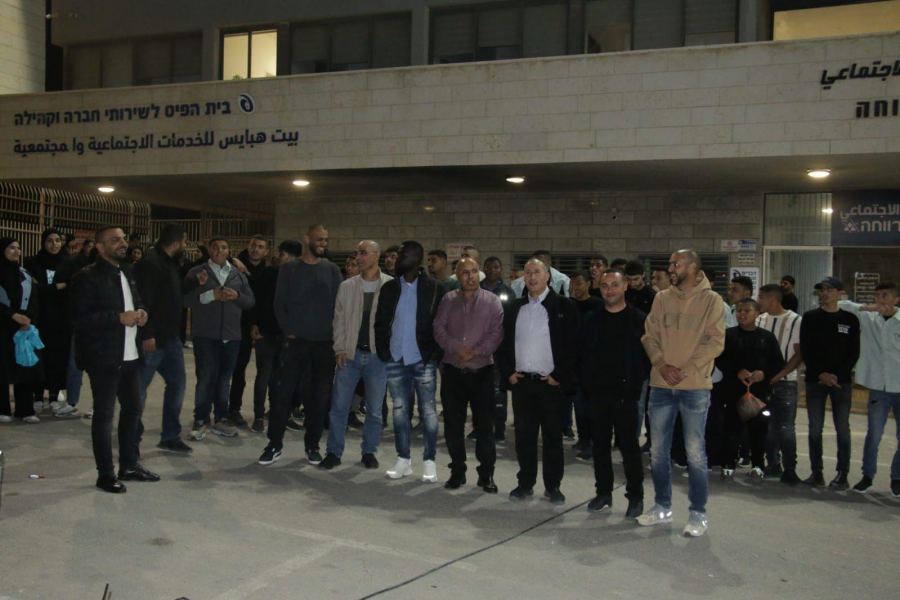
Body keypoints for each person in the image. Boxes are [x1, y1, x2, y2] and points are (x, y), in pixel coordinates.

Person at [639, 249, 725, 537]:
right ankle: (662, 506)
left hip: (694, 387)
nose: (671, 268)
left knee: (695, 453)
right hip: (661, 385)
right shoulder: (662, 298)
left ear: (693, 266)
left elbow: (715, 342)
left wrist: (685, 369)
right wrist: (661, 364)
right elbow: (649, 335)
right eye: (670, 264)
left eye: (676, 264)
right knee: (658, 452)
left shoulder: (712, 300)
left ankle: (698, 514)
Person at [69, 226, 158, 493]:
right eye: (115, 240)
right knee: (104, 416)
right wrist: (117, 318)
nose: (122, 244)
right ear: (99, 247)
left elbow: (137, 301)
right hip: (103, 358)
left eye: (123, 239)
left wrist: (142, 313)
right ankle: (105, 474)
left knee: (133, 410)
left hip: (130, 355)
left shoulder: (127, 271)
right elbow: (79, 319)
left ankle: (129, 465)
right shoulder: (86, 277)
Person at [259, 225, 342, 466]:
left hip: (323, 345)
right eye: (319, 239)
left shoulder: (332, 270)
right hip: (295, 345)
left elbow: (339, 306)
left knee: (318, 399)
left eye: (326, 240)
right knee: (282, 396)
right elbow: (279, 303)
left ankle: (312, 446)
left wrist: (335, 337)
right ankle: (274, 444)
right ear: (307, 239)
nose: (323, 243)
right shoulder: (289, 269)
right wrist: (289, 331)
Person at [497, 258, 578, 504]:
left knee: (553, 438)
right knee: (524, 438)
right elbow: (502, 343)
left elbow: (574, 346)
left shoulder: (563, 306)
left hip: (550, 384)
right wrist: (508, 373)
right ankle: (525, 483)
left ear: (547, 277)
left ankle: (553, 486)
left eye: (537, 272)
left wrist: (559, 376)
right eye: (528, 273)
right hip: (522, 383)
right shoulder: (515, 307)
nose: (532, 277)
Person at [374, 240, 446, 482]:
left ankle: (429, 461)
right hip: (396, 358)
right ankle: (403, 459)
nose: (398, 258)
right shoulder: (390, 288)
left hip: (422, 359)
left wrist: (434, 355)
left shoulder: (434, 288)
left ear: (417, 258)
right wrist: (384, 352)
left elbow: (441, 325)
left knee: (428, 411)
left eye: (403, 254)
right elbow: (380, 322)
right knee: (399, 410)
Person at [580, 270, 648, 518]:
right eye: (605, 286)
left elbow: (646, 357)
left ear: (625, 286)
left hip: (626, 395)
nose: (609, 290)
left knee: (629, 448)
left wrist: (634, 385)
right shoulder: (591, 319)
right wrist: (588, 384)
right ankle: (603, 493)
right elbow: (583, 354)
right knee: (600, 446)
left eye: (615, 285)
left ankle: (635, 497)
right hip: (597, 394)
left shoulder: (639, 319)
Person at [319, 240, 392, 470]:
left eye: (363, 253)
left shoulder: (390, 286)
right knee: (339, 408)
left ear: (376, 255)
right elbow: (338, 320)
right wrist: (340, 348)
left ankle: (369, 452)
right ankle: (333, 452)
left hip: (377, 358)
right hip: (349, 356)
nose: (359, 257)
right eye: (357, 253)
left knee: (375, 410)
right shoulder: (347, 286)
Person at [434, 257, 504, 493]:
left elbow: (496, 334)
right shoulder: (448, 300)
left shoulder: (492, 302)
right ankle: (457, 472)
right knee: (453, 426)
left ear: (479, 274)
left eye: (474, 271)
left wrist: (475, 352)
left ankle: (486, 475)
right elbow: (438, 329)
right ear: (457, 275)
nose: (470, 276)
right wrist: (457, 348)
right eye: (465, 272)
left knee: (485, 427)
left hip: (482, 372)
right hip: (453, 372)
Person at [184, 238, 255, 441]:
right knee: (206, 378)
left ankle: (221, 418)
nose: (219, 250)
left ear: (228, 251)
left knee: (224, 379)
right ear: (209, 250)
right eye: (215, 247)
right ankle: (201, 418)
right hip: (205, 335)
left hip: (231, 336)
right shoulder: (197, 272)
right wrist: (210, 295)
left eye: (223, 247)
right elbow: (185, 299)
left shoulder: (238, 274)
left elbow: (250, 301)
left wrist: (236, 296)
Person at [133, 225, 191, 454]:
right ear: (176, 243)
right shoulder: (150, 264)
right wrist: (147, 334)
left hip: (171, 339)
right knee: (138, 390)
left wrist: (194, 283)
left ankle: (170, 435)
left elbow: (172, 293)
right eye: (184, 242)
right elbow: (143, 301)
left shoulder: (169, 263)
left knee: (177, 383)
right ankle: (131, 437)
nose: (185, 246)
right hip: (154, 340)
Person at [839, 282, 900, 497]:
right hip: (878, 386)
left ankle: (897, 477)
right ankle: (867, 475)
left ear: (896, 299)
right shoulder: (868, 317)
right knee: (874, 434)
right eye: (878, 296)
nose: (880, 300)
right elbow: (841, 305)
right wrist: (866, 307)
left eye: (885, 296)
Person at [799, 276, 860, 490]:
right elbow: (806, 349)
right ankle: (816, 472)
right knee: (815, 429)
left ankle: (842, 474)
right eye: (822, 290)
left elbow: (853, 352)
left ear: (839, 293)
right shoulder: (810, 317)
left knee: (842, 428)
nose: (824, 293)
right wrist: (821, 373)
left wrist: (836, 374)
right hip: (815, 380)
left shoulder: (850, 319)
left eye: (829, 290)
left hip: (841, 382)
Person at [716, 298, 785, 480]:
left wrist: (764, 373)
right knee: (731, 428)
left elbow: (777, 362)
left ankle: (757, 465)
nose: (742, 314)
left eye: (747, 311)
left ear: (757, 314)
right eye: (739, 311)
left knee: (759, 429)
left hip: (759, 392)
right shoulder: (729, 335)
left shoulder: (766, 337)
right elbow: (720, 359)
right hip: (733, 390)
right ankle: (728, 463)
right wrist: (736, 371)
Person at [247, 240, 301, 433]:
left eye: (283, 254)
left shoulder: (299, 277)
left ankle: (280, 415)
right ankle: (259, 416)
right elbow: (255, 299)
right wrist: (254, 324)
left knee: (282, 379)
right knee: (264, 376)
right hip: (266, 333)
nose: (280, 257)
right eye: (280, 253)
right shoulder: (269, 273)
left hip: (288, 336)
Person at [24, 228, 75, 417]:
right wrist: (56, 288)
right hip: (39, 317)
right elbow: (33, 289)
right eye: (50, 241)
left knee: (58, 357)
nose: (54, 245)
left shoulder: (69, 263)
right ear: (43, 243)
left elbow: (71, 287)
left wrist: (45, 288)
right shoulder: (32, 262)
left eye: (57, 240)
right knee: (39, 356)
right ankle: (38, 395)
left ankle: (54, 395)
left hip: (62, 319)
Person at [756, 283, 804, 484]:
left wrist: (781, 373)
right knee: (767, 425)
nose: (759, 301)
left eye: (761, 298)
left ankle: (790, 468)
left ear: (773, 300)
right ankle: (772, 463)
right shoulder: (759, 320)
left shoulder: (795, 320)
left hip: (786, 382)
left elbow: (799, 353)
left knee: (785, 426)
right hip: (763, 382)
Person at [228, 235, 270, 428]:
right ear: (248, 246)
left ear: (266, 251)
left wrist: (257, 324)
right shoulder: (233, 266)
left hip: (256, 327)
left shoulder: (267, 271)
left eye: (260, 247)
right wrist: (233, 261)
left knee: (258, 371)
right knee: (234, 370)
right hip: (235, 325)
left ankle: (252, 412)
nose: (255, 249)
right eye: (253, 245)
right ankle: (231, 409)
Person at [0, 238, 41, 424]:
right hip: (3, 327)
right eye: (11, 248)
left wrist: (27, 318)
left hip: (22, 327)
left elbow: (34, 299)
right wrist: (12, 315)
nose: (17, 251)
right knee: (2, 367)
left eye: (18, 248)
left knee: (24, 366)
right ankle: (2, 408)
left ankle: (25, 409)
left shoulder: (24, 274)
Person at [568, 271, 602, 459]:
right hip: (575, 365)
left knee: (592, 407)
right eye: (573, 284)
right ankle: (583, 438)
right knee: (579, 406)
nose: (576, 288)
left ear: (588, 284)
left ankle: (594, 442)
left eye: (579, 283)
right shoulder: (569, 305)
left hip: (593, 365)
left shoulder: (598, 305)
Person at [481, 256, 514, 441]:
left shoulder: (507, 292)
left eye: (496, 267)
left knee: (498, 391)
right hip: (478, 347)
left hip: (499, 349)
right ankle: (480, 426)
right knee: (479, 390)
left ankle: (499, 428)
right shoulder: (476, 288)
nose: (492, 270)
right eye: (489, 267)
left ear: (501, 269)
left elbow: (510, 320)